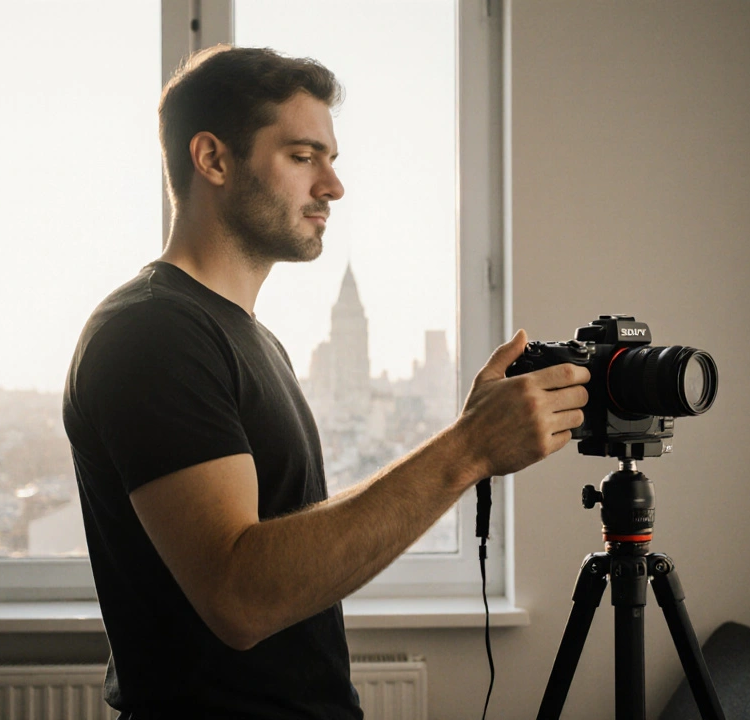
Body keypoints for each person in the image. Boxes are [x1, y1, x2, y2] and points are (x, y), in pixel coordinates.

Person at [62, 45, 589, 719]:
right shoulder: (153, 335)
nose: (333, 186)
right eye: (304, 156)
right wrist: (469, 449)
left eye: (331, 159)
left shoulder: (248, 337)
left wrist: (469, 444)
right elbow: (240, 598)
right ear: (213, 159)